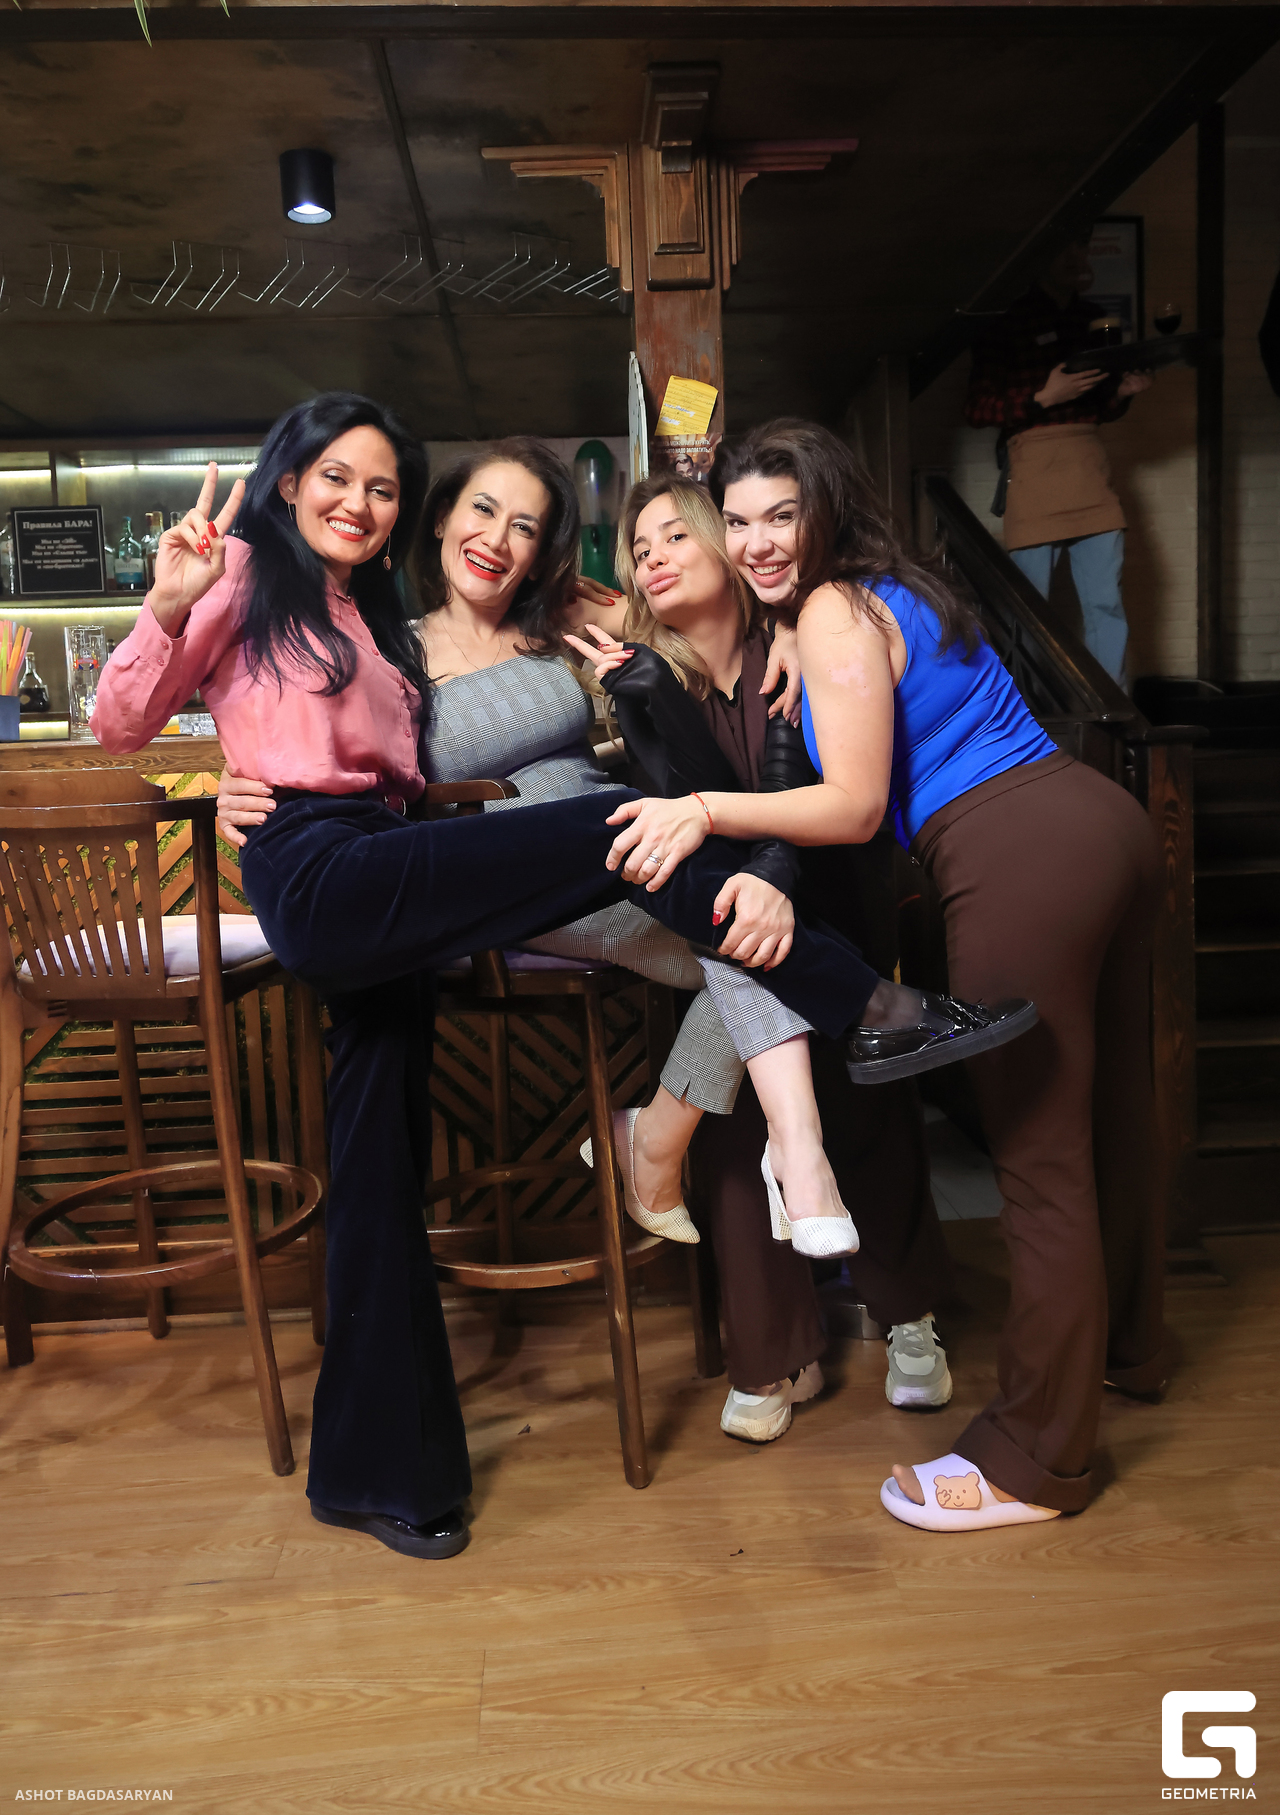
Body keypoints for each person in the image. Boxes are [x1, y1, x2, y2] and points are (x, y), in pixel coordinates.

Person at [90, 394, 971, 1561]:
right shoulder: (242, 573)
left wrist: (776, 643)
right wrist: (171, 622)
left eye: (381, 487)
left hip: (387, 867)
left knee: (377, 1168)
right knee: (614, 827)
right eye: (337, 478)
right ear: (289, 480)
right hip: (325, 871)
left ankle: (377, 1476)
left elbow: (398, 750)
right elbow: (119, 724)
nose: (359, 503)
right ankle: (866, 1002)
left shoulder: (375, 618)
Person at [600, 419, 1167, 1532]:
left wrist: (701, 807)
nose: (759, 542)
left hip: (1012, 852)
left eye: (782, 516)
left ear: (828, 509)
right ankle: (1129, 1353)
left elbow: (856, 807)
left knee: (1038, 1159)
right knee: (1113, 1122)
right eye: (741, 521)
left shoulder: (828, 610)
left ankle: (1034, 1460)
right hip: (1100, 824)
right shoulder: (883, 593)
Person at [567, 475, 957, 1438]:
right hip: (732, 931)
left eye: (674, 536)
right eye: (639, 548)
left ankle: (909, 1315)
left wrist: (778, 881)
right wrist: (653, 700)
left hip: (831, 902)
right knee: (737, 1130)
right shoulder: (646, 678)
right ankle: (772, 1351)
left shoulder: (794, 644)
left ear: (721, 543)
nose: (653, 558)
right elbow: (687, 825)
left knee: (871, 1107)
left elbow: (813, 790)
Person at [964, 227, 1152, 687]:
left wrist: (1123, 393)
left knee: (1106, 603)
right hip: (1034, 470)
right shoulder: (1009, 320)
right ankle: (1029, 710)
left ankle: (1114, 711)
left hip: (1088, 466)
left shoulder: (1091, 317)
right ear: (1040, 256)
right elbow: (976, 408)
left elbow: (1098, 407)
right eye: (1065, 245)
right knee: (1028, 609)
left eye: (1081, 244)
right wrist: (1043, 396)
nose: (1075, 254)